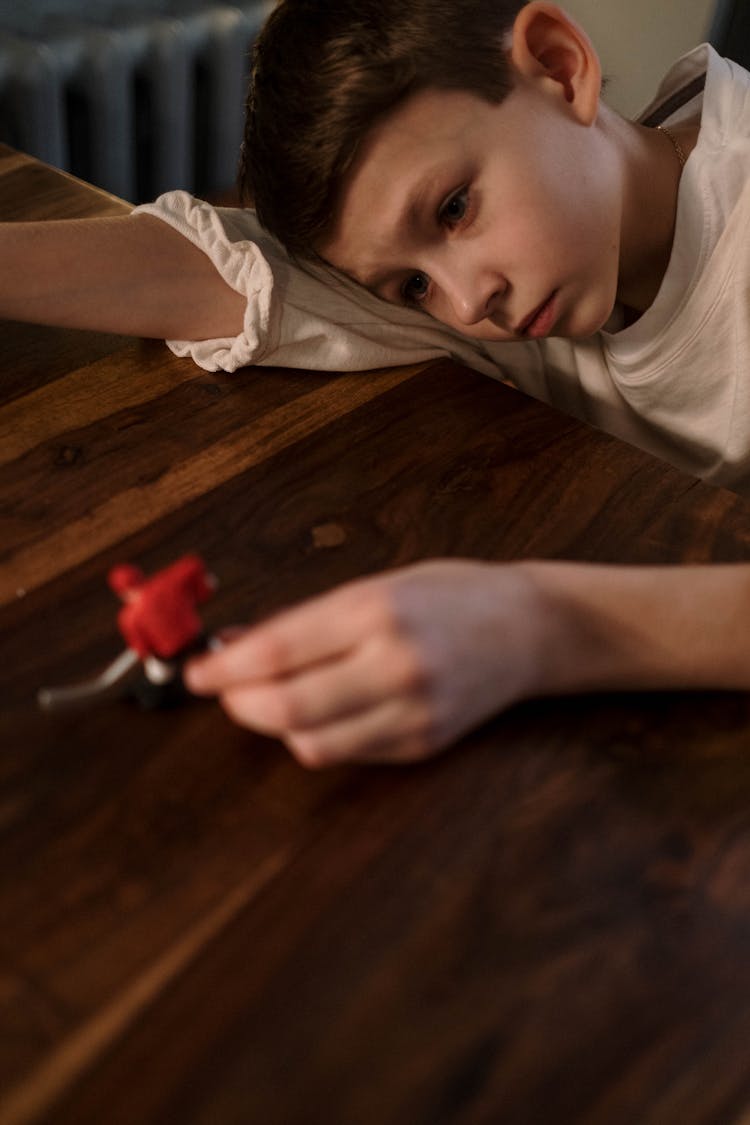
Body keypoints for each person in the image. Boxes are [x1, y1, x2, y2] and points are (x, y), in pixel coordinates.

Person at [5, 0, 750, 766]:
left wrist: (542, 627)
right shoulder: (530, 259)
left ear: (560, 68)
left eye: (455, 208)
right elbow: (237, 275)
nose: (466, 303)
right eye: (412, 289)